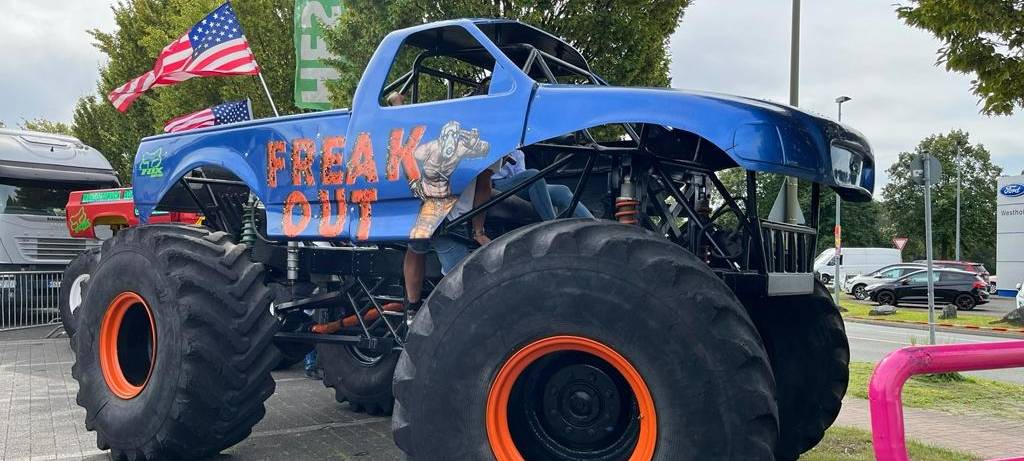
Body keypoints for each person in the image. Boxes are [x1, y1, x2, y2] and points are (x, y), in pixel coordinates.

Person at [492, 149, 593, 220]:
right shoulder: (489, 146)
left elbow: (520, 175)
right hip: (494, 184)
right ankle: (553, 226)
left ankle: (595, 226)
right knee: (533, 175)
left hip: (513, 183)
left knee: (562, 190)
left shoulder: (517, 152)